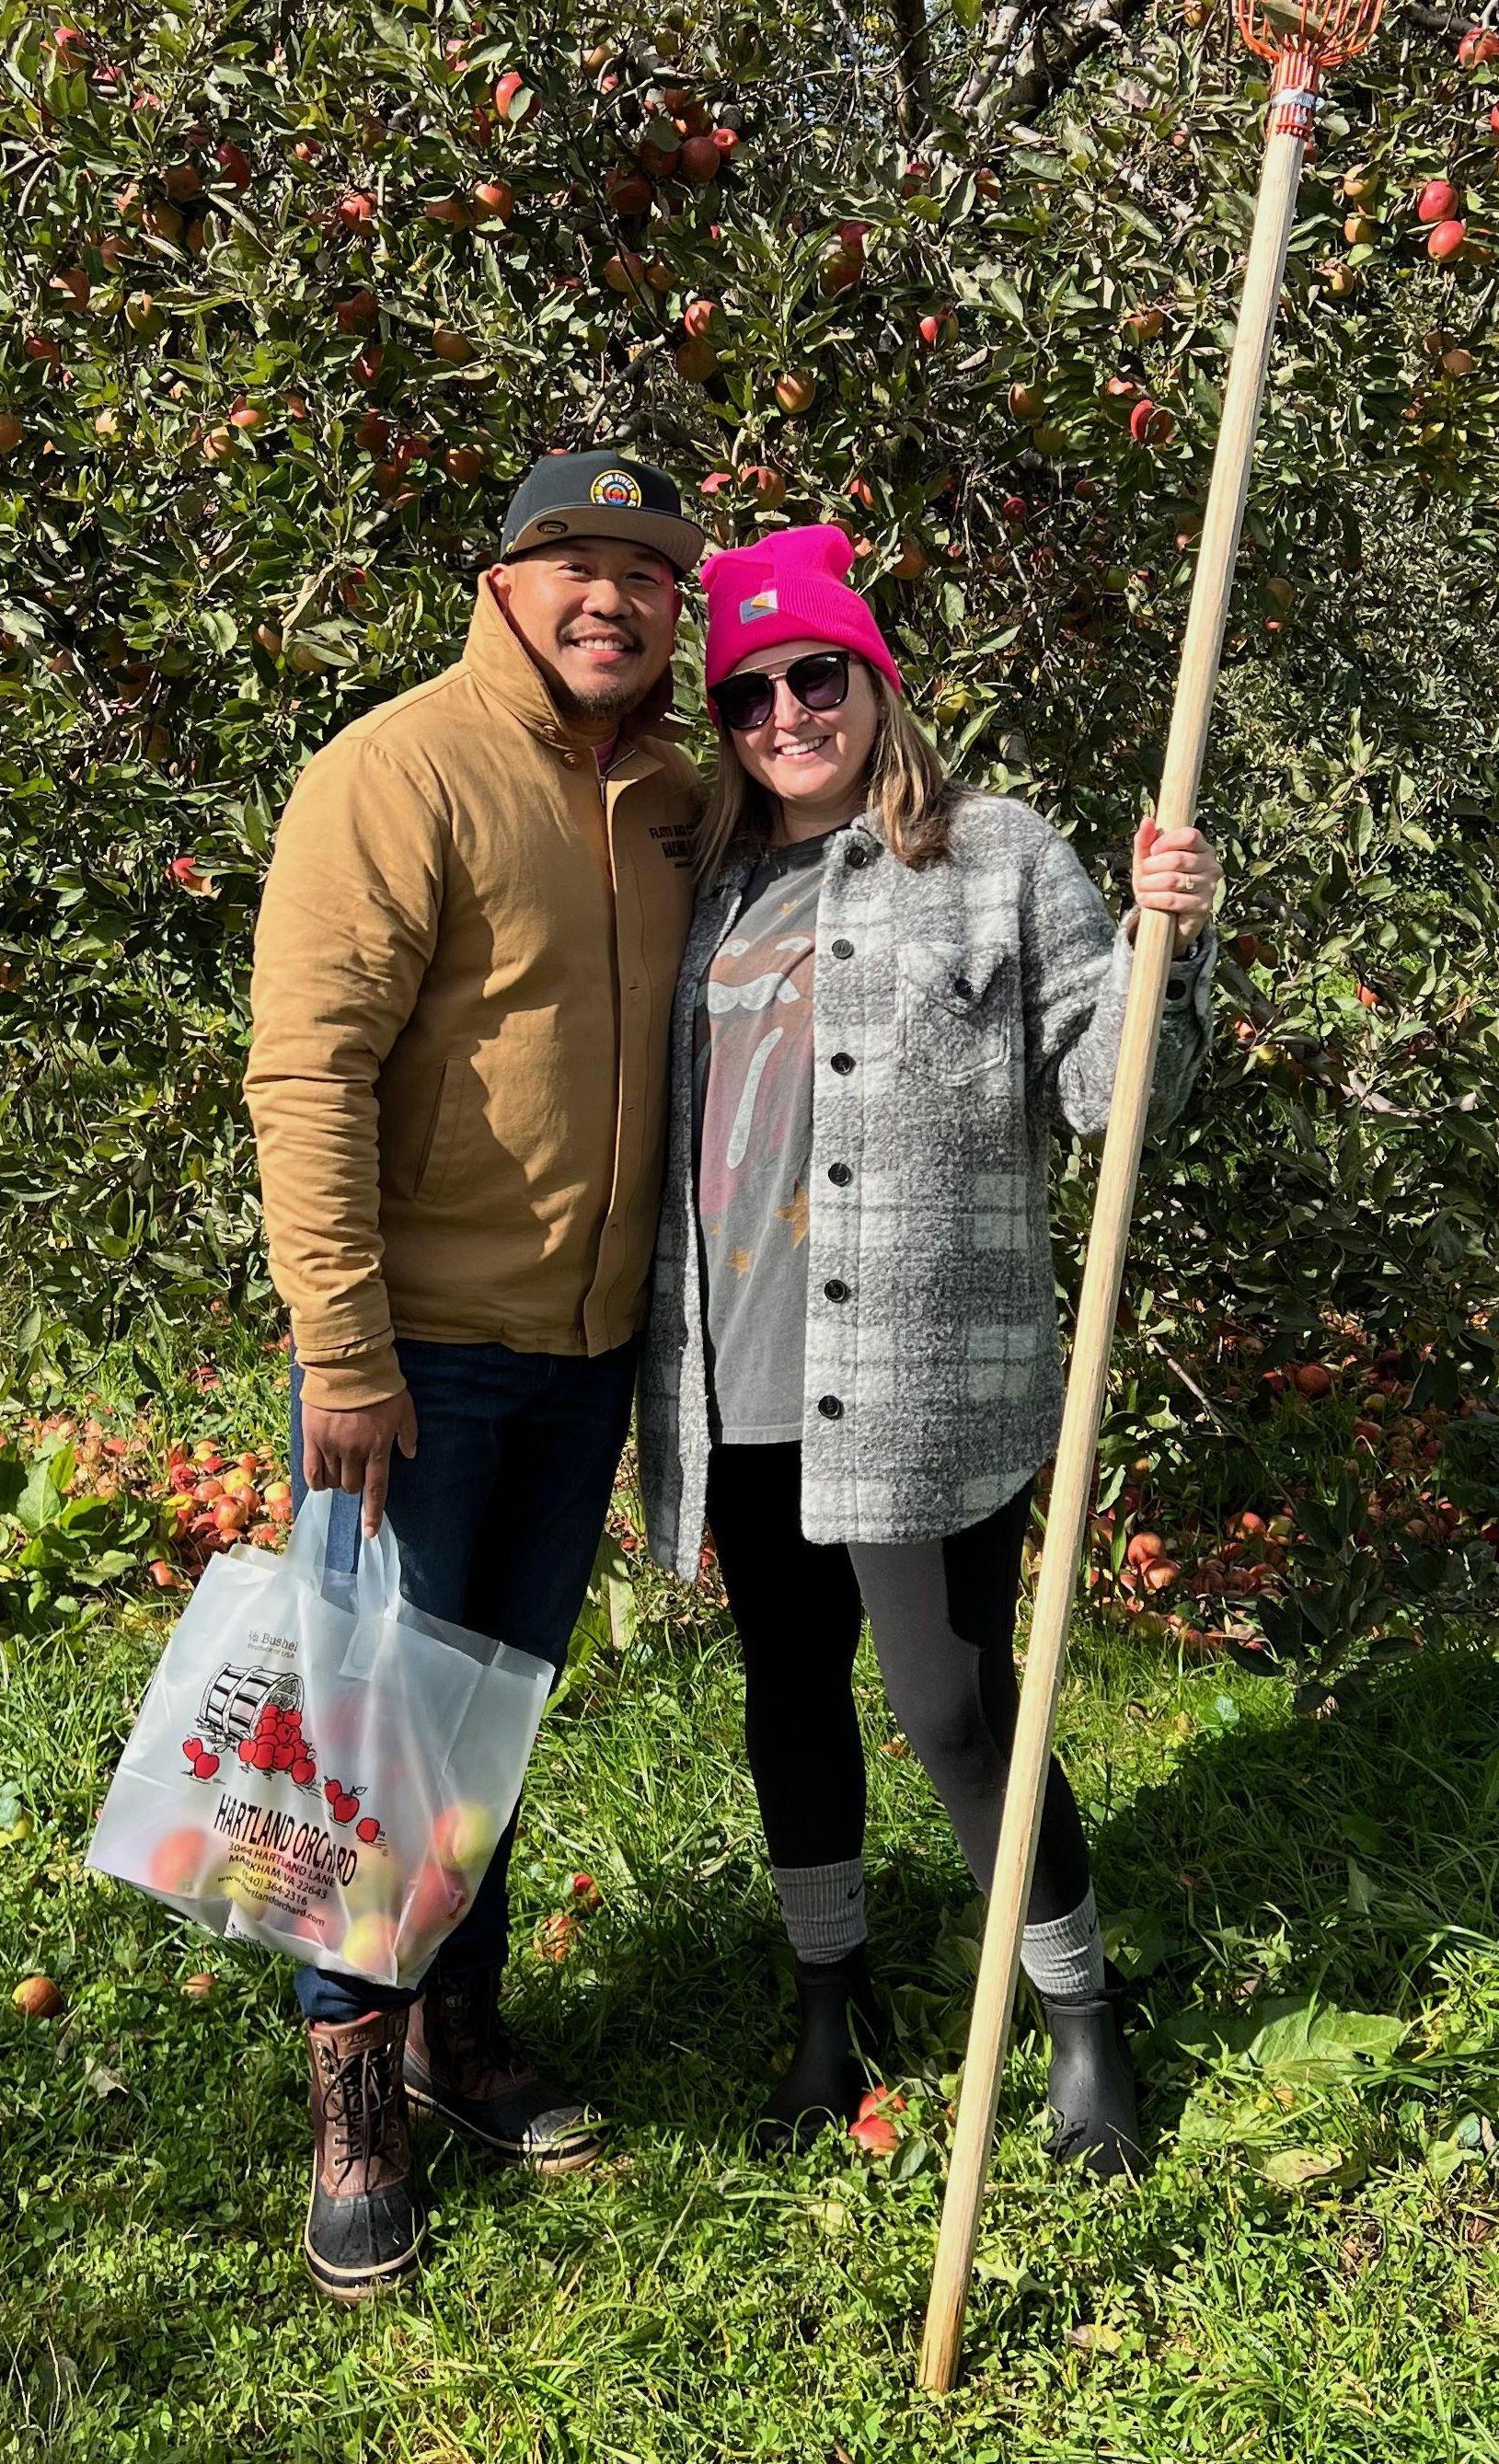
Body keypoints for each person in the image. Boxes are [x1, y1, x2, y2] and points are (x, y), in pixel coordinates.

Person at [637, 524, 1215, 2178]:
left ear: (875, 683)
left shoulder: (998, 853)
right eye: (746, 694)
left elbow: (1115, 1103)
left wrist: (1174, 946)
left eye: (814, 675)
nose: (783, 714)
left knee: (952, 1703)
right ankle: (832, 1994)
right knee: (789, 1696)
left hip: (918, 1369)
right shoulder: (707, 879)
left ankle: (1079, 2009)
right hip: (731, 1358)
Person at [245, 449, 704, 2300]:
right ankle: (349, 2090)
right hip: (414, 1357)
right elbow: (309, 1069)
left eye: (651, 574)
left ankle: (458, 2026)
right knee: (364, 1725)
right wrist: (344, 1348)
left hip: (583, 1347)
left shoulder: (679, 794)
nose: (615, 595)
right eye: (573, 562)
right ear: (501, 586)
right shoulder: (398, 769)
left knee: (490, 1709)